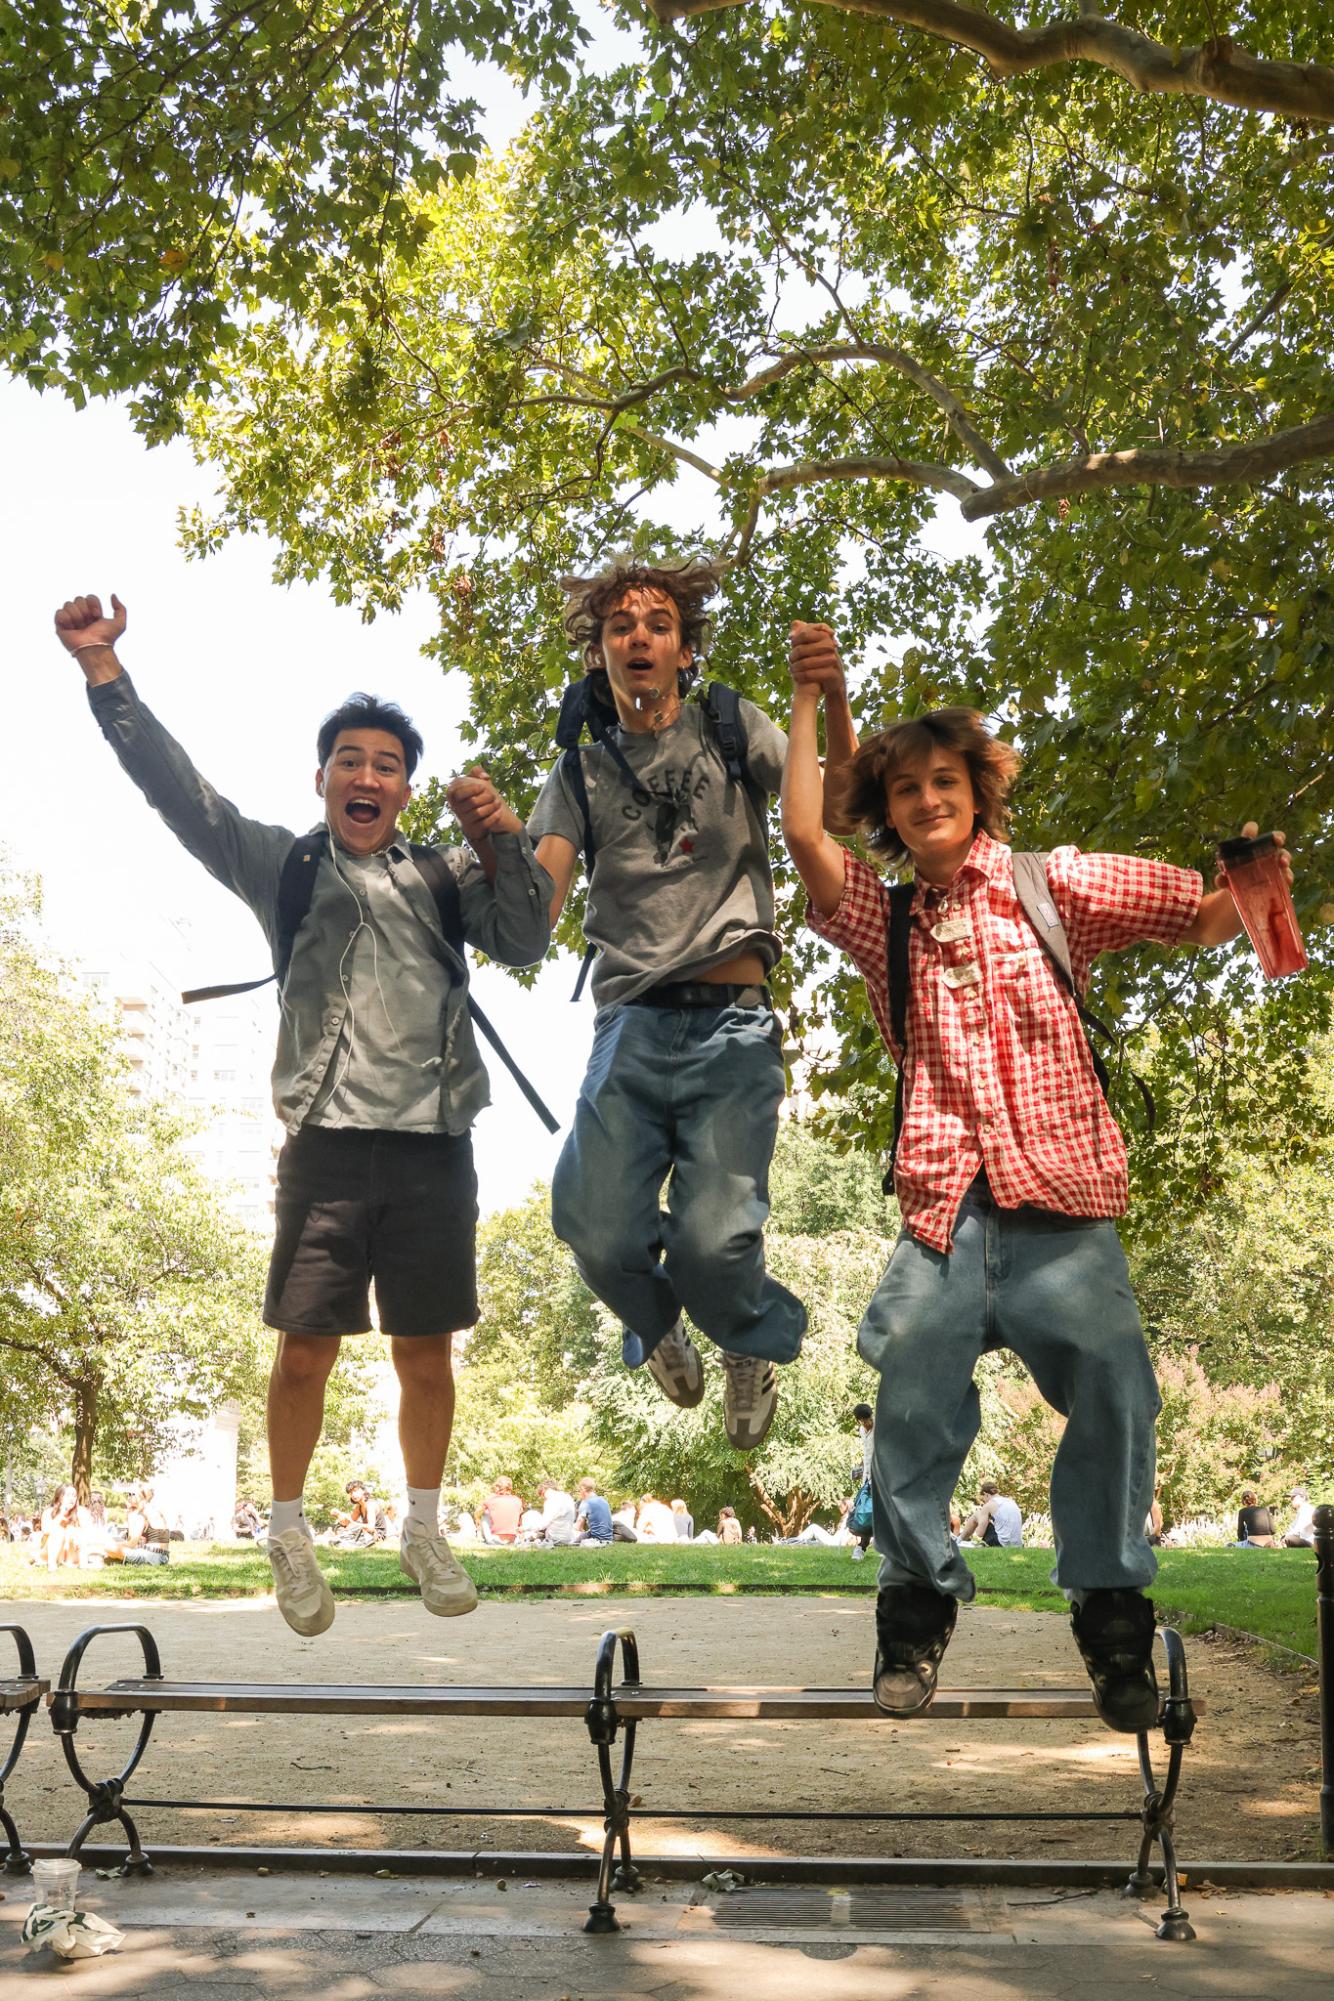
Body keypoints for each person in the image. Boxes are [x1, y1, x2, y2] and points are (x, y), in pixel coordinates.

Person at [782, 629, 1294, 1730]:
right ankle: (913, 1611)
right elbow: (801, 831)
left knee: (1115, 1387)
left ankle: (1111, 1627)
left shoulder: (1047, 885)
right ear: (890, 810)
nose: (926, 799)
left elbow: (1199, 917)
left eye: (944, 781)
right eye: (907, 788)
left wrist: (1253, 882)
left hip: (1062, 1208)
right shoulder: (889, 922)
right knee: (910, 1387)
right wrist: (814, 699)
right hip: (943, 1214)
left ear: (979, 792)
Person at [54, 591, 552, 1637]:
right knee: (300, 1353)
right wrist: (105, 674)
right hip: (324, 1150)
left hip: (433, 1146)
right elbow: (177, 795)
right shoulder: (279, 863)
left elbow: (523, 940)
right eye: (349, 761)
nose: (367, 777)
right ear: (321, 778)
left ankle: (421, 1524)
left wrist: (500, 840)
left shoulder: (444, 874)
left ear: (406, 788)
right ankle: (286, 1529)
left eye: (386, 765)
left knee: (427, 1353)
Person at [529, 558, 854, 1449]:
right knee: (591, 1224)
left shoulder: (728, 725)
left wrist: (825, 698)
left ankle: (748, 1338)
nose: (640, 635)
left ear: (682, 646)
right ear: (598, 653)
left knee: (715, 1243)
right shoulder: (580, 774)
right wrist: (488, 839)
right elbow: (531, 911)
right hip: (629, 1022)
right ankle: (660, 1320)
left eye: (658, 622)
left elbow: (840, 812)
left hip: (731, 1026)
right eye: (621, 625)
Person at [961, 1480, 1024, 1549]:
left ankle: (959, 1540)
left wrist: (983, 1521)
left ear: (986, 1494)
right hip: (1017, 1545)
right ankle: (961, 1540)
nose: (984, 1502)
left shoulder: (989, 1505)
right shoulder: (1011, 1501)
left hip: (1001, 1544)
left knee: (977, 1514)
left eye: (983, 1499)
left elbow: (979, 1533)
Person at [850, 1402, 875, 1561]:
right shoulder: (861, 1430)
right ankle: (861, 1547)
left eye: (869, 1419)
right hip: (868, 1477)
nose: (868, 1423)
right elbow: (867, 1453)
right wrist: (860, 1469)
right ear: (859, 1421)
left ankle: (861, 1548)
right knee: (866, 1512)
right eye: (864, 1421)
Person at [477, 1478, 524, 1546]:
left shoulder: (491, 1498)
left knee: (485, 1513)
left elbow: (477, 1513)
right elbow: (520, 1522)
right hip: (513, 1540)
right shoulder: (517, 1500)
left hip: (494, 1540)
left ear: (497, 1487)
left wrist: (477, 1520)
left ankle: (481, 1536)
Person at [534, 1479, 579, 1546]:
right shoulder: (568, 1497)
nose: (543, 1498)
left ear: (545, 1489)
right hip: (568, 1538)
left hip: (554, 1539)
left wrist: (525, 1528)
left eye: (542, 1494)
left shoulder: (551, 1501)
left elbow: (543, 1524)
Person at [574, 1478, 615, 1546]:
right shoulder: (604, 1500)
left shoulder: (586, 1503)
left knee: (572, 1534)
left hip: (596, 1540)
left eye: (579, 1490)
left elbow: (578, 1527)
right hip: (609, 1539)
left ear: (583, 1489)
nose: (579, 1493)